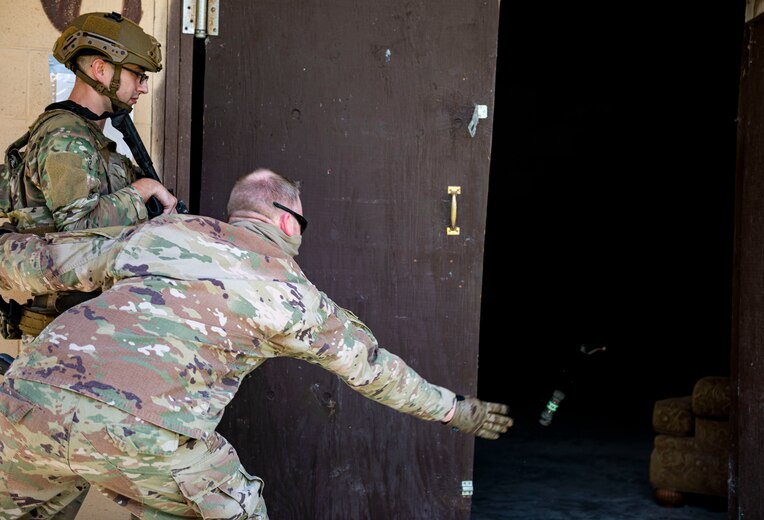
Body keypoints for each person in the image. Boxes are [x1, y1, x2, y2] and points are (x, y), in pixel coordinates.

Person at [0, 168, 513, 519]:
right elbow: (374, 370)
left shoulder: (163, 233)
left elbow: (45, 262)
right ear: (287, 221)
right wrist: (455, 410)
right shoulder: (291, 294)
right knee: (234, 507)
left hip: (22, 404)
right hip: (143, 431)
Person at [0, 11, 177, 343]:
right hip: (64, 331)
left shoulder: (93, 139)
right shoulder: (65, 136)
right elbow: (80, 230)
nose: (143, 87)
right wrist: (145, 189)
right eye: (138, 75)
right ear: (100, 69)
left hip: (87, 321)